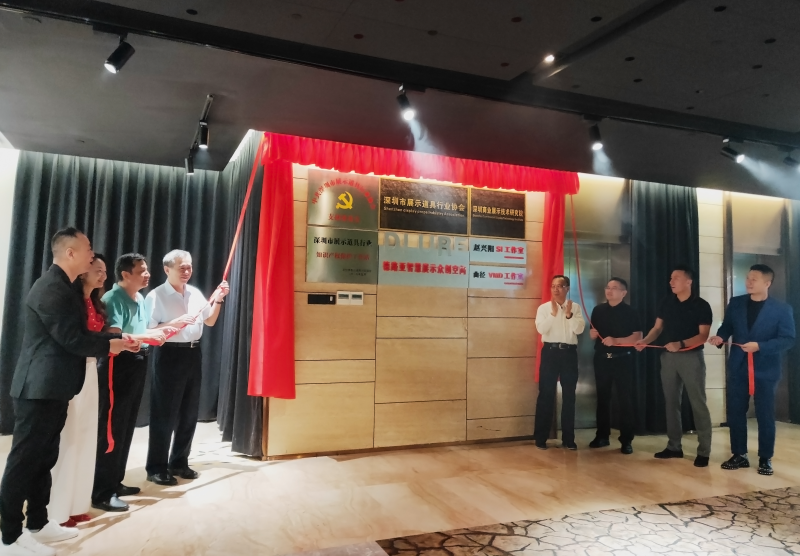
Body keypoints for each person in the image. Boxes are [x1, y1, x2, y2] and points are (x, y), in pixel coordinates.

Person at [0, 229, 136, 556]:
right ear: (70, 253)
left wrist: (113, 340)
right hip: (38, 388)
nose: (92, 253)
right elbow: (72, 339)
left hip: (55, 387)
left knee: (45, 458)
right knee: (24, 462)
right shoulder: (50, 288)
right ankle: (8, 537)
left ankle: (38, 522)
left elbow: (78, 334)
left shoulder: (68, 287)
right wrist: (112, 344)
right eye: (88, 248)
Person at [92, 254, 172, 512]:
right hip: (118, 364)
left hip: (138, 361)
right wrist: (147, 337)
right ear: (126, 274)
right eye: (141, 271)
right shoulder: (113, 298)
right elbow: (115, 335)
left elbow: (140, 332)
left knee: (126, 424)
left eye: (147, 269)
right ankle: (102, 491)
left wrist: (156, 334)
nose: (147, 274)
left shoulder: (139, 298)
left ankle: (115, 481)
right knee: (112, 427)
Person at [144, 250, 229, 486]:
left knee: (189, 413)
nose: (187, 271)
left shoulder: (194, 293)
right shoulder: (156, 296)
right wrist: (174, 323)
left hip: (193, 353)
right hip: (169, 354)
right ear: (167, 269)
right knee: (164, 413)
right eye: (181, 267)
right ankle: (156, 467)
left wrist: (218, 299)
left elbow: (209, 320)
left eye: (189, 267)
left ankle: (179, 461)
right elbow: (147, 330)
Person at [709, 264, 795, 476]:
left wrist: (761, 346)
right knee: (736, 412)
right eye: (748, 278)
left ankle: (765, 458)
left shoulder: (782, 309)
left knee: (765, 414)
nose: (748, 282)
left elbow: (788, 339)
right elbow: (727, 327)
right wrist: (720, 337)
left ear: (767, 283)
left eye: (754, 279)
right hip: (738, 367)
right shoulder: (736, 303)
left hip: (765, 369)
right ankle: (739, 454)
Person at [48, 254, 110, 529]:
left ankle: (77, 504)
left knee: (86, 435)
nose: (103, 275)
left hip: (90, 370)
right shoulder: (71, 301)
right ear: (83, 272)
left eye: (105, 271)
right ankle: (57, 508)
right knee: (69, 437)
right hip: (71, 369)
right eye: (98, 270)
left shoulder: (96, 302)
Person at [636, 264, 713, 467]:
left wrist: (681, 344)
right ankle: (674, 447)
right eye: (670, 278)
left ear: (688, 281)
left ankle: (704, 451)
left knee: (698, 403)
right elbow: (657, 328)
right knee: (671, 403)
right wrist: (645, 341)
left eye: (676, 278)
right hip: (668, 358)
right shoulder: (666, 302)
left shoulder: (701, 305)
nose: (671, 282)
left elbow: (703, 335)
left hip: (691, 358)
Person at [588, 278, 643, 454]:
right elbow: (593, 333)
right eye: (608, 287)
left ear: (623, 293)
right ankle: (602, 436)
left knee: (624, 399)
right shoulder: (598, 310)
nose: (609, 291)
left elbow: (637, 337)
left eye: (614, 288)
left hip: (623, 360)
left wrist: (617, 340)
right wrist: (592, 334)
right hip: (602, 359)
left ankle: (626, 440)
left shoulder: (631, 312)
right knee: (602, 398)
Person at [533, 275, 585, 450]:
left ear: (567, 288)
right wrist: (554, 314)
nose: (556, 289)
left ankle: (569, 439)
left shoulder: (575, 307)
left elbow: (579, 329)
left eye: (560, 286)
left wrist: (569, 315)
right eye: (553, 286)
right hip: (550, 352)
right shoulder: (544, 308)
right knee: (546, 394)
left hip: (569, 354)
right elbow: (541, 329)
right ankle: (541, 438)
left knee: (569, 395)